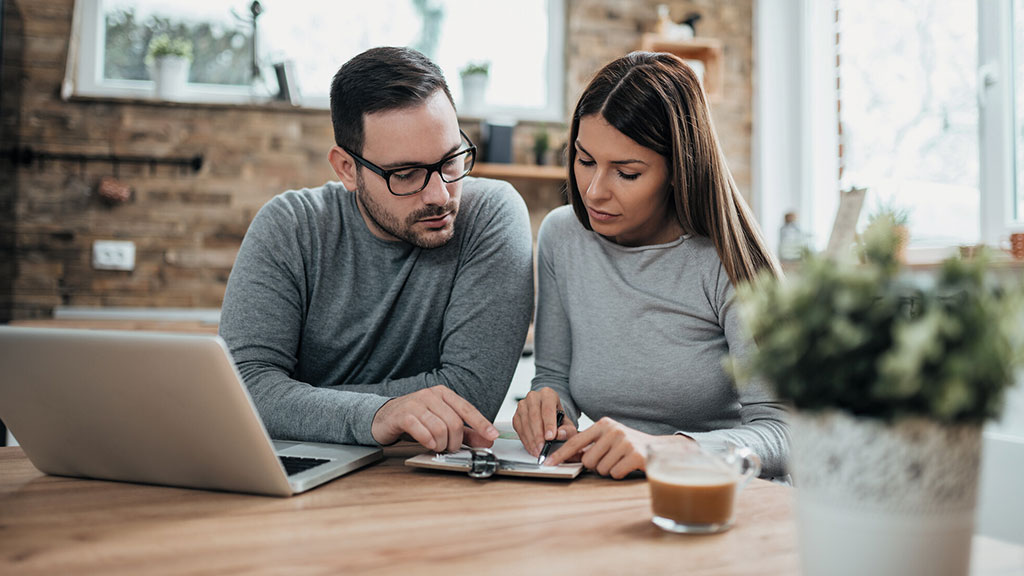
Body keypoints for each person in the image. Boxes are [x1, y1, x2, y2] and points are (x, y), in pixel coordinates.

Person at [220, 47, 534, 453]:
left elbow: (470, 397)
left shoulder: (491, 215)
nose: (440, 195)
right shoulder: (291, 226)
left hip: (425, 479)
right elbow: (243, 388)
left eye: (452, 160)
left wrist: (298, 401)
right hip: (297, 471)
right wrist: (377, 413)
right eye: (405, 174)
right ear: (347, 169)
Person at [513, 52, 789, 479]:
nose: (593, 191)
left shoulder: (730, 260)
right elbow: (554, 378)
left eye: (626, 173)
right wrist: (548, 408)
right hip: (616, 496)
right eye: (585, 161)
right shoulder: (561, 238)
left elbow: (784, 432)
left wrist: (668, 450)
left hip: (721, 501)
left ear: (679, 170)